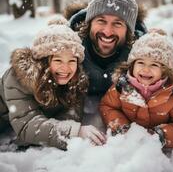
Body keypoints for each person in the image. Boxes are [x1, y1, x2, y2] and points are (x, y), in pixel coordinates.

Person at [0, 16, 106, 150]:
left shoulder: (76, 80)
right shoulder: (18, 79)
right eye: (58, 60)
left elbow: (71, 115)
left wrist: (70, 130)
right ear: (44, 61)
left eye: (72, 61)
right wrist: (72, 132)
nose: (66, 68)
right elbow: (27, 126)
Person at [65, 0, 147, 133]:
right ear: (88, 23)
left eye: (118, 23)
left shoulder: (141, 56)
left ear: (129, 30)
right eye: (101, 21)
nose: (107, 32)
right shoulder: (67, 48)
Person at [99, 29, 173, 153]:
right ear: (132, 65)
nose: (146, 69)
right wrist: (121, 126)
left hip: (156, 152)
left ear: (165, 70)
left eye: (154, 65)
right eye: (141, 62)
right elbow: (108, 106)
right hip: (128, 145)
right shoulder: (121, 87)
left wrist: (162, 135)